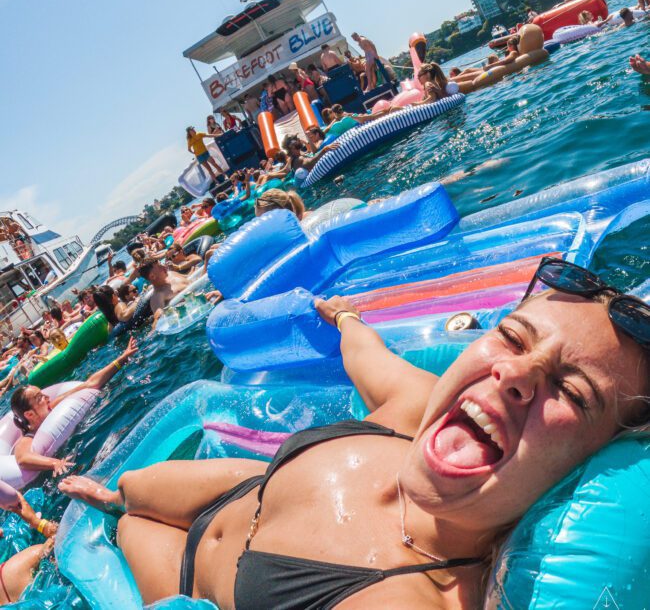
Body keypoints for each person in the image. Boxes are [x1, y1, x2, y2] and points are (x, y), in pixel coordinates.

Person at [59, 258, 650, 608]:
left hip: (185, 573)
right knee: (122, 493)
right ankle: (113, 500)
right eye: (515, 338)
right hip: (240, 491)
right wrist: (345, 317)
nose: (515, 372)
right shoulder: (416, 408)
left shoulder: (410, 597)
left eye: (573, 393)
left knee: (97, 538)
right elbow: (367, 357)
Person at [11, 337, 138, 480]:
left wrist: (123, 358)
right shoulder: (27, 439)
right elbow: (22, 459)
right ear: (29, 414)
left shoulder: (52, 407)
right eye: (39, 398)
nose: (47, 397)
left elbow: (89, 384)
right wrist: (55, 463)